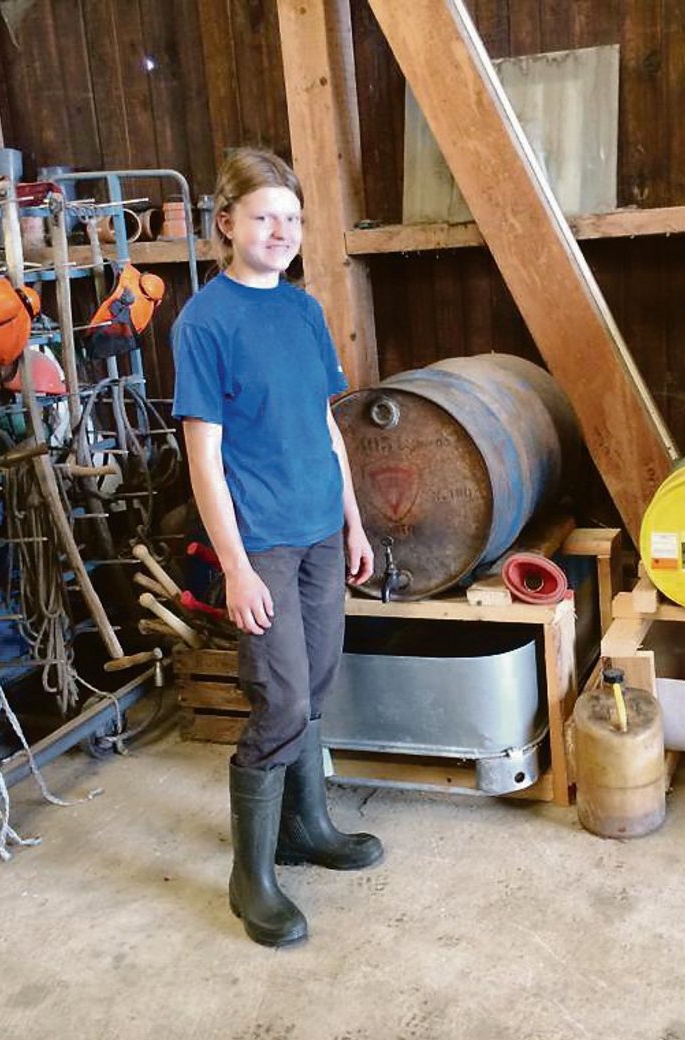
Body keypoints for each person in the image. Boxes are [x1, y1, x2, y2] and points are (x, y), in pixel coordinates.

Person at [171, 148, 382, 948]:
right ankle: (250, 877)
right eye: (265, 217)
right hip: (259, 542)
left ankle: (309, 830)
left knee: (317, 685)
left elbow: (326, 425)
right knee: (281, 698)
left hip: (322, 528)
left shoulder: (302, 310)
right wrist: (231, 565)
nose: (282, 231)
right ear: (226, 224)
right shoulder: (206, 322)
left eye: (292, 218)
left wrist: (354, 522)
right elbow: (203, 455)